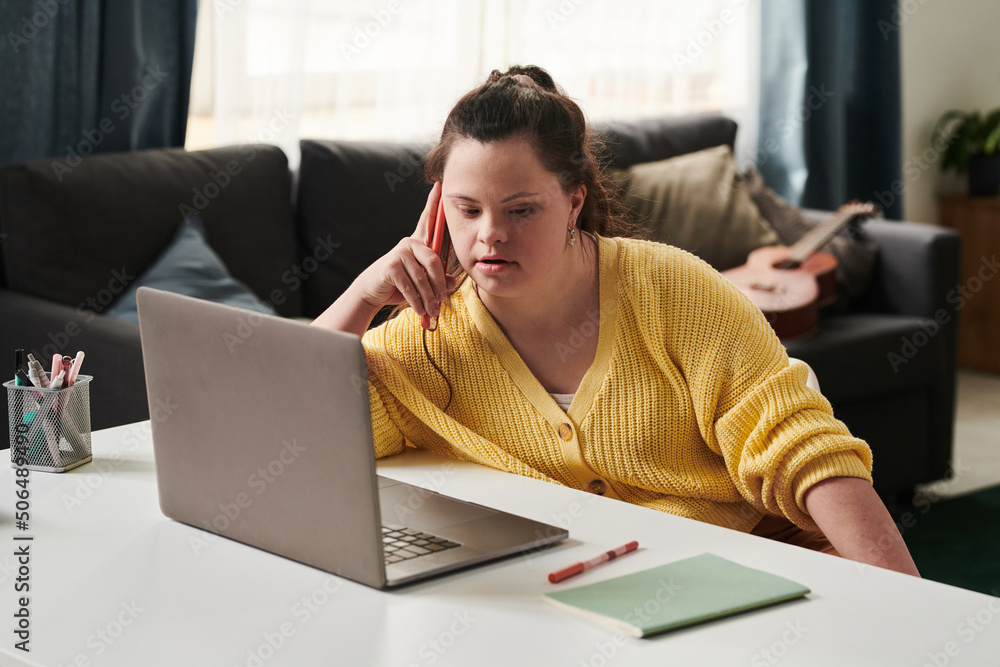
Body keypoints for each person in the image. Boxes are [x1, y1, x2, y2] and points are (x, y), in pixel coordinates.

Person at [311, 65, 919, 577]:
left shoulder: (675, 291)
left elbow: (801, 450)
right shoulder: (428, 334)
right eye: (467, 210)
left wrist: (907, 599)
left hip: (755, 558)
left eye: (521, 209)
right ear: (439, 209)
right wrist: (362, 297)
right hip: (600, 581)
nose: (490, 234)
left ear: (574, 201)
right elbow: (298, 423)